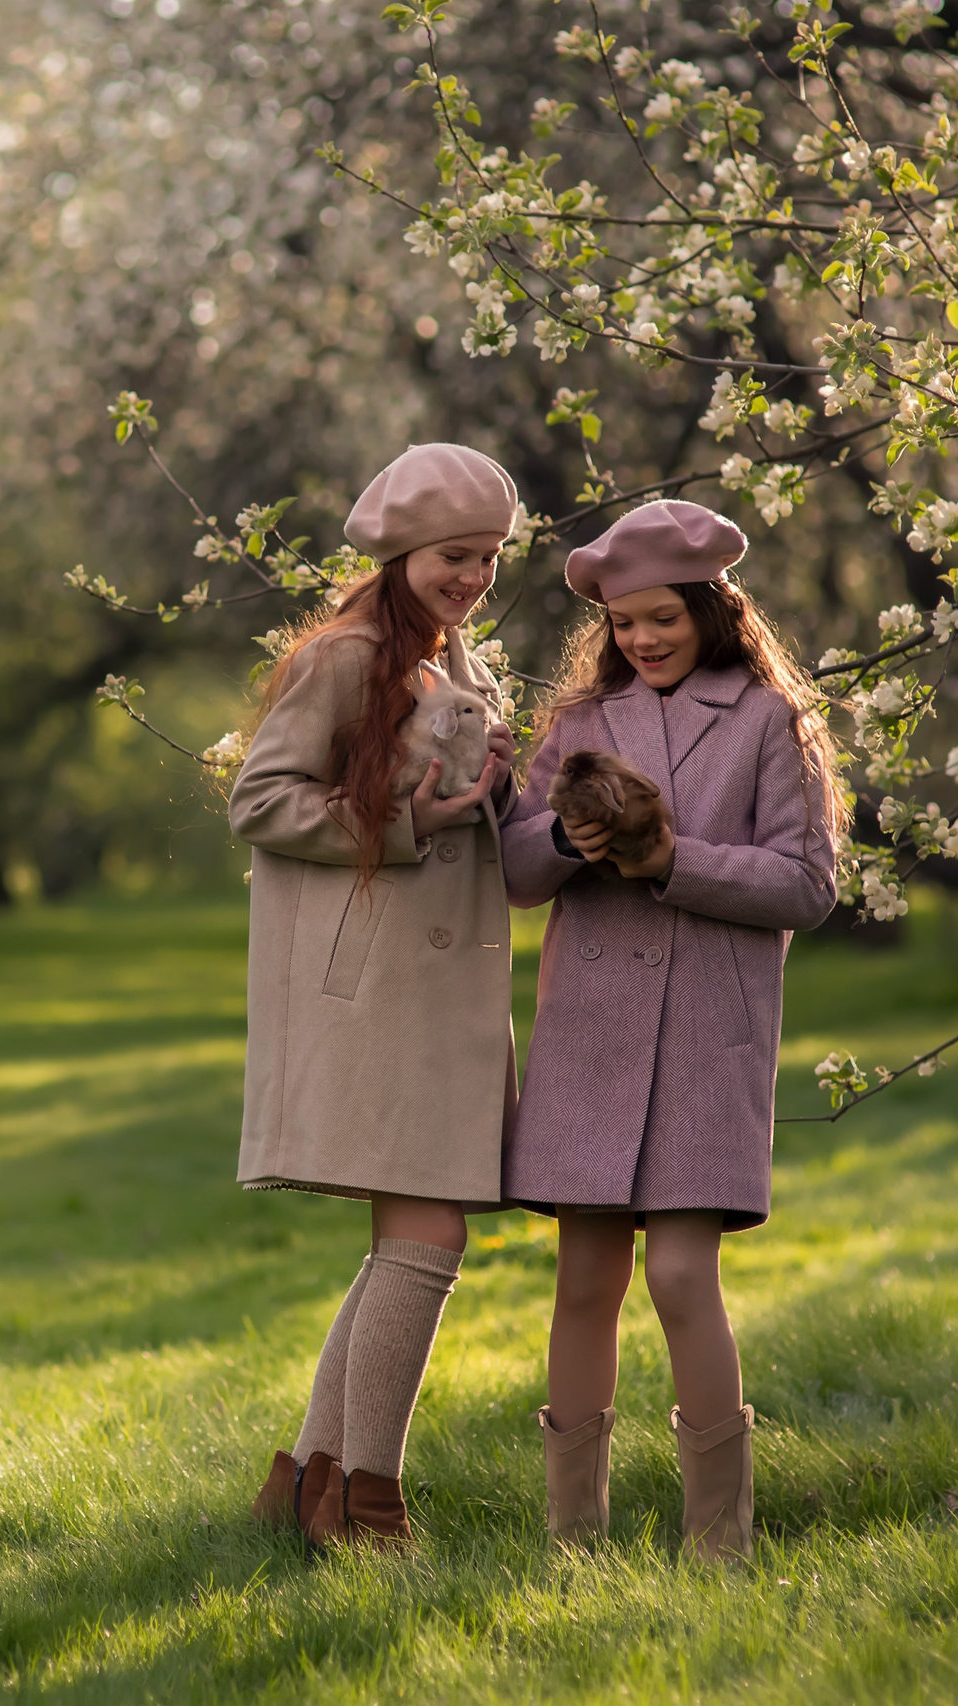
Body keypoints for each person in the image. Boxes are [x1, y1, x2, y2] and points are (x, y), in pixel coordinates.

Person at [499, 499, 841, 1559]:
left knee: (683, 1276)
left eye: (661, 618)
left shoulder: (766, 721)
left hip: (706, 1032)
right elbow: (511, 872)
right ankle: (573, 1538)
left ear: (709, 608)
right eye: (622, 624)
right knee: (584, 1281)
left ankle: (720, 1538)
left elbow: (806, 883)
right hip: (589, 1035)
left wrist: (666, 861)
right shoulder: (578, 720)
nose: (641, 639)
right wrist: (565, 833)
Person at [228, 442, 522, 1549]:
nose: (472, 578)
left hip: (441, 986)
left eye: (489, 559)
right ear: (401, 550)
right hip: (375, 988)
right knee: (428, 1235)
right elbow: (260, 798)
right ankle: (367, 1505)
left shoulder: (459, 666)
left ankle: (306, 1482)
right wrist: (409, 825)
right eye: (455, 556)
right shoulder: (346, 656)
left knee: (408, 1238)